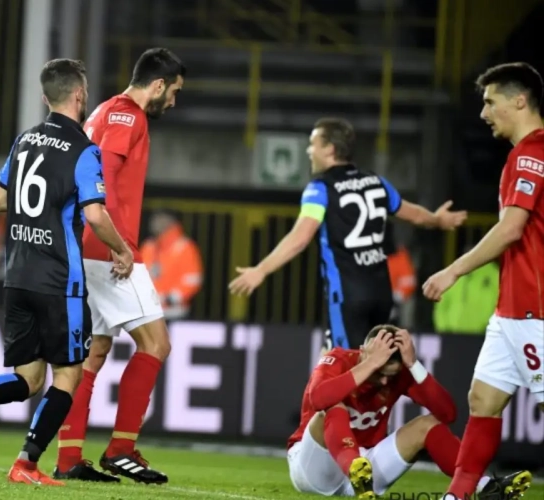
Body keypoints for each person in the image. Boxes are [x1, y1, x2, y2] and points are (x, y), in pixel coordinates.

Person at [0, 58, 134, 488]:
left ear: (45, 96)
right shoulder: (84, 150)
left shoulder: (24, 141)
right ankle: (26, 463)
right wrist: (121, 249)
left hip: (17, 273)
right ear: (80, 95)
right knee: (68, 375)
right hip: (60, 280)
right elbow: (95, 216)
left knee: (29, 378)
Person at [54, 48, 185, 484]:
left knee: (92, 354)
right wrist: (115, 244)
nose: (173, 103)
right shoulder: (129, 116)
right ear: (159, 84)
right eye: (174, 93)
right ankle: (121, 448)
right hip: (109, 249)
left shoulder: (106, 110)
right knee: (156, 344)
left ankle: (69, 457)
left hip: (86, 246)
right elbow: (102, 176)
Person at [229, 118, 468, 351]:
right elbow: (414, 214)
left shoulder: (320, 188)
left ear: (330, 149)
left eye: (314, 144)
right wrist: (437, 219)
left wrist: (261, 270)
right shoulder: (376, 182)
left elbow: (300, 238)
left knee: (345, 370)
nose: (309, 150)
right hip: (381, 293)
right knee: (364, 366)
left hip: (347, 294)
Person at [423, 61, 543, 500]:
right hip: (512, 310)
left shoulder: (532, 153)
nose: (483, 113)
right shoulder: (527, 154)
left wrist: (453, 269)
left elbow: (512, 228)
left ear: (520, 99)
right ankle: (457, 497)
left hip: (537, 310)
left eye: (490, 102)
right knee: (482, 400)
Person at [286, 325, 529, 500]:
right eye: (378, 372)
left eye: (388, 375)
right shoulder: (336, 359)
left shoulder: (398, 376)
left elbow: (447, 413)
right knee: (331, 408)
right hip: (315, 468)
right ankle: (356, 471)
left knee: (427, 425)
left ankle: (488, 489)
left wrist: (413, 364)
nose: (383, 381)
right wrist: (368, 364)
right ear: (363, 352)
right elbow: (317, 399)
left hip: (367, 465)